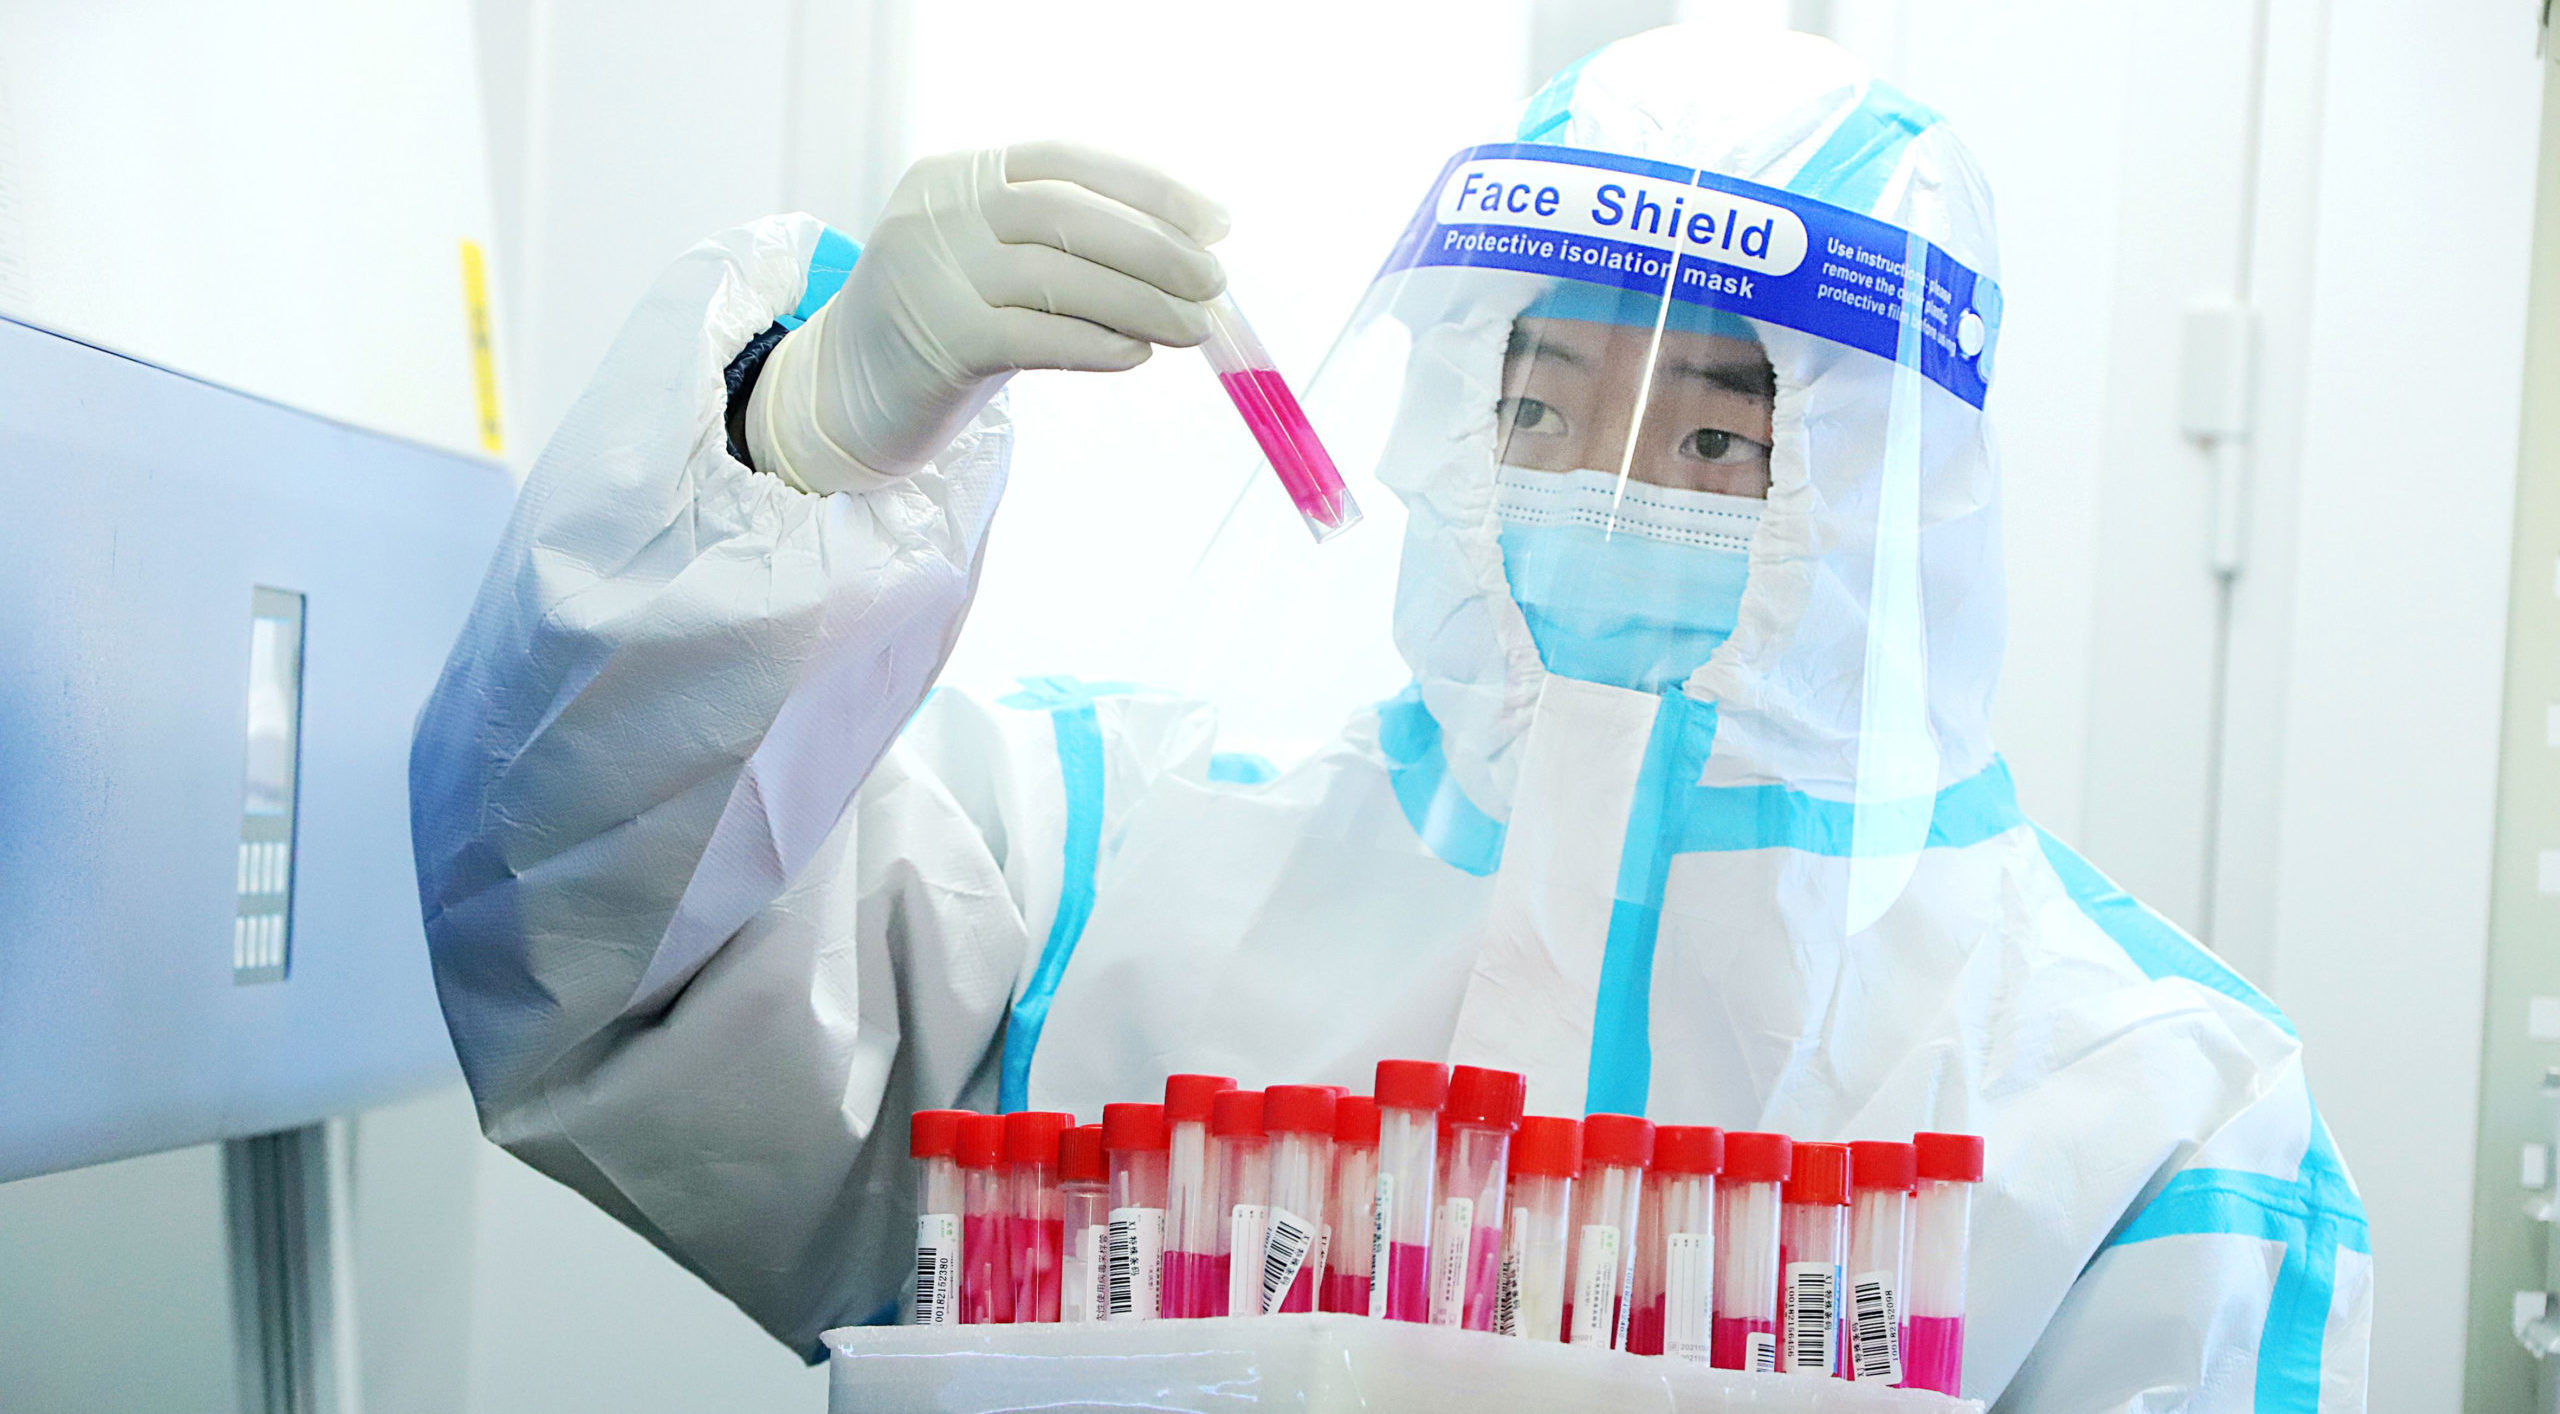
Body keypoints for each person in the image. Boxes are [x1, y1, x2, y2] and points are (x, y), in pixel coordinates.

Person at [410, 24, 2369, 1409]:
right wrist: (789, 443)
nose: (1594, 489)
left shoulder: (2136, 1113)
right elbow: (582, 945)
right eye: (1537, 403)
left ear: (1888, 490)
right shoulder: (1106, 860)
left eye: (1718, 435)